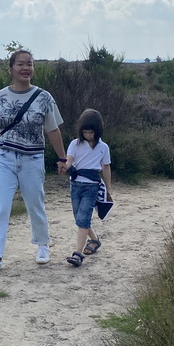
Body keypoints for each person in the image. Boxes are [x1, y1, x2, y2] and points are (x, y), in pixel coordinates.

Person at [0, 50, 67, 276]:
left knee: (35, 203)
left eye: (29, 64)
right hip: (5, 159)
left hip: (33, 159)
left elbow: (52, 130)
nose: (25, 68)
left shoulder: (44, 98)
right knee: (1, 207)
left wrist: (62, 158)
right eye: (20, 64)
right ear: (11, 68)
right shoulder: (0, 96)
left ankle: (42, 245)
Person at [57, 108, 113, 267]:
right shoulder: (75, 144)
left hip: (92, 187)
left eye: (91, 132)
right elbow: (69, 161)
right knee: (79, 217)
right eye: (85, 132)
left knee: (83, 218)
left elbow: (106, 168)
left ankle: (77, 254)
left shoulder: (103, 147)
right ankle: (94, 240)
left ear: (98, 131)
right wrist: (64, 166)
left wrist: (108, 189)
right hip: (75, 185)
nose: (88, 135)